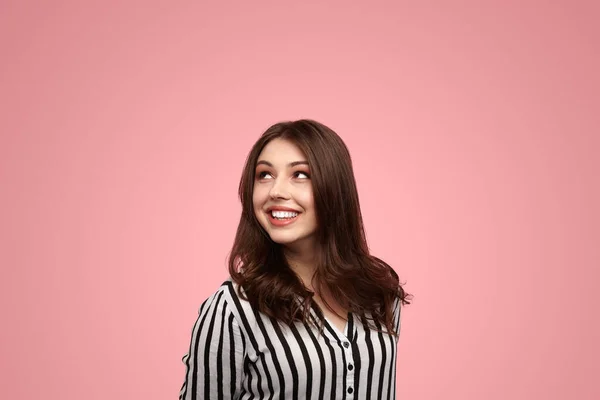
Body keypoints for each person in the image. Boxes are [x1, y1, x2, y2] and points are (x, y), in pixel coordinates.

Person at [179, 119, 411, 400]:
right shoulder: (232, 309)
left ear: (334, 188)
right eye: (264, 175)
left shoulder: (379, 295)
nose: (276, 191)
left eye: (300, 175)